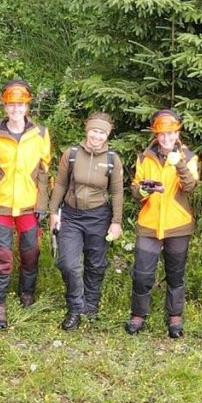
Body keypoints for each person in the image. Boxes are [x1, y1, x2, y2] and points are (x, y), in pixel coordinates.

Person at [0, 80, 51, 329]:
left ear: (27, 106)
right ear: (5, 106)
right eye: (11, 105)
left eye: (20, 104)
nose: (16, 109)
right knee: (1, 255)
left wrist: (42, 203)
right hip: (1, 206)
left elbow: (44, 172)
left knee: (30, 252)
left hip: (29, 206)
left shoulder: (40, 134)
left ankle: (27, 293)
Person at [126, 109, 199, 338]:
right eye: (162, 134)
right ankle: (138, 315)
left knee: (175, 274)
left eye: (171, 133)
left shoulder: (189, 157)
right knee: (142, 273)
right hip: (149, 224)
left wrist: (179, 164)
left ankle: (175, 316)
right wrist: (144, 189)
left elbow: (190, 187)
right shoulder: (144, 157)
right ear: (156, 135)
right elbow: (135, 191)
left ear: (177, 133)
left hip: (178, 224)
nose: (166, 138)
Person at [48, 112, 124, 330]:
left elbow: (117, 192)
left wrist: (116, 221)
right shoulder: (71, 154)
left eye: (102, 133)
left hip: (99, 216)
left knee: (96, 264)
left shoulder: (112, 159)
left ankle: (90, 306)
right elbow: (60, 184)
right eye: (94, 131)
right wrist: (53, 212)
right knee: (68, 264)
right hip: (71, 216)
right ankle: (74, 308)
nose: (97, 136)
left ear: (107, 135)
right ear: (87, 130)